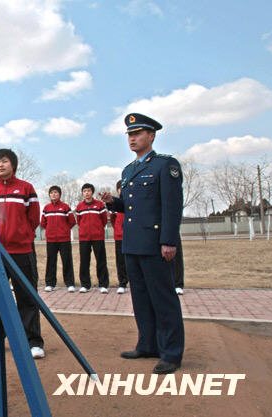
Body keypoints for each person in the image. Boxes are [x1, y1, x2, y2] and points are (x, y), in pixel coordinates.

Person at [100, 112, 184, 374]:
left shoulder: (165, 165)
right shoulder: (129, 170)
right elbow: (133, 205)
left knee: (163, 298)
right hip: (132, 243)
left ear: (151, 135)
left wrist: (169, 241)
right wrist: (115, 202)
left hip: (155, 243)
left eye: (137, 134)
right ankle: (147, 344)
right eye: (129, 135)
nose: (132, 139)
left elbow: (171, 207)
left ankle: (170, 353)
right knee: (140, 298)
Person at [0, 148, 45, 359]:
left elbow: (34, 218)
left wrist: (24, 235)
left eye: (4, 161)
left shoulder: (26, 188)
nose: (0, 165)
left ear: (13, 164)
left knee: (26, 296)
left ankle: (34, 342)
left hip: (22, 251)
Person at [40, 185, 76, 292]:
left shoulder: (65, 207)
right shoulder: (46, 208)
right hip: (51, 240)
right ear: (49, 195)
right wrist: (51, 230)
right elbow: (43, 223)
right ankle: (50, 283)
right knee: (51, 261)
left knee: (67, 261)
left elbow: (72, 222)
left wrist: (64, 230)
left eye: (56, 192)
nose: (54, 194)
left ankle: (70, 283)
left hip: (64, 239)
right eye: (51, 193)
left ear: (59, 194)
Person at [75, 184, 109, 293]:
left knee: (101, 260)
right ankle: (85, 285)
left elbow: (104, 220)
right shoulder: (79, 206)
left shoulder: (99, 205)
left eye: (88, 191)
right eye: (84, 191)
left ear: (92, 192)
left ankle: (103, 285)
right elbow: (79, 221)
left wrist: (98, 229)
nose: (86, 193)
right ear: (82, 193)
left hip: (97, 236)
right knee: (84, 261)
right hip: (84, 238)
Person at [111, 180, 128, 294]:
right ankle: (122, 283)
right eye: (119, 188)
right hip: (119, 237)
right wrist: (118, 229)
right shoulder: (115, 205)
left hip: (131, 236)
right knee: (120, 261)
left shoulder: (133, 202)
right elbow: (112, 220)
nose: (121, 190)